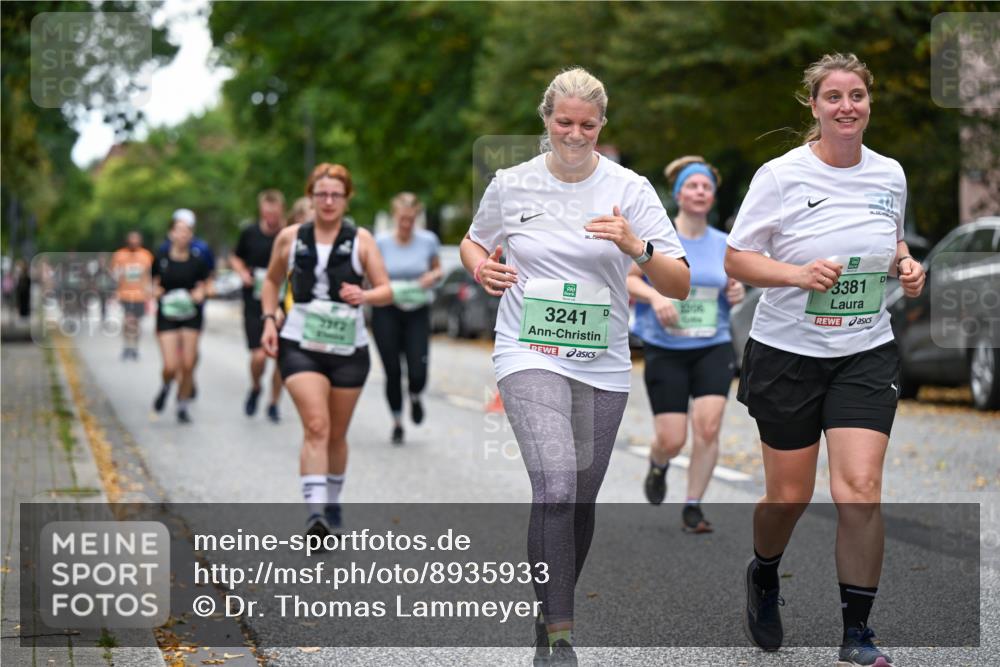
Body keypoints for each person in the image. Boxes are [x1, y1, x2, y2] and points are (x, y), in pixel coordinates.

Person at [460, 68, 689, 665]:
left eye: (587, 124)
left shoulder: (629, 188)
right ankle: (560, 635)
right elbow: (474, 241)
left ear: (602, 126)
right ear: (546, 120)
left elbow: (680, 281)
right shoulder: (511, 184)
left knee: (580, 500)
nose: (575, 133)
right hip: (527, 348)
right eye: (564, 122)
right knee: (557, 486)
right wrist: (481, 269)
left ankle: (547, 604)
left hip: (603, 360)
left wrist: (636, 245)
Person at [725, 53, 925, 667]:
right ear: (813, 106)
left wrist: (906, 266)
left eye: (857, 95)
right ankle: (764, 573)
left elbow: (889, 242)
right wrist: (795, 273)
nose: (847, 106)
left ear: (869, 103)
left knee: (859, 489)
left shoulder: (889, 175)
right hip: (788, 353)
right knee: (789, 495)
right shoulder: (780, 175)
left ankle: (857, 632)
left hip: (864, 349)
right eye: (833, 96)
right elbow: (737, 259)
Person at [260, 163, 392, 539]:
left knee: (336, 433)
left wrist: (364, 294)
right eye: (321, 194)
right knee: (316, 426)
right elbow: (270, 282)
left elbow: (386, 289)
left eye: (336, 194)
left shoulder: (362, 239)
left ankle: (333, 501)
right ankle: (315, 514)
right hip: (300, 343)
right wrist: (270, 319)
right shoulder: (289, 237)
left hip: (349, 348)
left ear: (347, 198)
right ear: (311, 197)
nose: (328, 201)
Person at [629, 156, 745, 532]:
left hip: (713, 343)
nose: (700, 192)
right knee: (672, 438)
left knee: (708, 427)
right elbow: (629, 279)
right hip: (666, 347)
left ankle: (693, 505)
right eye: (692, 186)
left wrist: (737, 289)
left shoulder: (725, 244)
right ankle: (659, 463)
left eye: (706, 187)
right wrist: (655, 298)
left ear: (713, 196)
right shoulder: (660, 240)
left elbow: (734, 286)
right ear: (679, 193)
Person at [372, 192, 442, 444]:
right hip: (387, 309)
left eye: (411, 219)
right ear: (394, 216)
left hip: (417, 310)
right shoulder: (380, 242)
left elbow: (437, 269)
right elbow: (372, 273)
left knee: (417, 369)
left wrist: (432, 277)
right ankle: (397, 421)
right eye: (402, 219)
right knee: (392, 369)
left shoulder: (428, 240)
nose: (406, 224)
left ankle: (414, 394)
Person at [230, 189, 286, 422]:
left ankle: (274, 402)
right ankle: (255, 388)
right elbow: (235, 256)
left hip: (284, 301)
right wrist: (242, 272)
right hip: (254, 301)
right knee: (259, 356)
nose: (271, 216)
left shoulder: (288, 234)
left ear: (281, 210)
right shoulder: (250, 232)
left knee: (282, 356)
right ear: (261, 211)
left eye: (275, 212)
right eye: (267, 211)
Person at [151, 216, 211, 423]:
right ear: (171, 234)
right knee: (170, 365)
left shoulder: (197, 260)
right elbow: (149, 282)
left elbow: (208, 284)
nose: (182, 235)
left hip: (191, 315)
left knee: (187, 364)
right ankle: (167, 384)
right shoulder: (161, 258)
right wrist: (154, 290)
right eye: (179, 230)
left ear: (191, 235)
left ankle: (182, 404)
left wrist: (201, 292)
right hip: (167, 315)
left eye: (186, 231)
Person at [111, 231, 155, 360]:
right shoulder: (119, 255)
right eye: (131, 241)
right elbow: (114, 274)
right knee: (128, 320)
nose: (133, 243)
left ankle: (135, 347)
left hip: (140, 296)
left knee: (136, 322)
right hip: (124, 294)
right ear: (127, 242)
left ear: (140, 242)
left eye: (136, 241)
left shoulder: (146, 256)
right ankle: (126, 346)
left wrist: (150, 291)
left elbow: (150, 274)